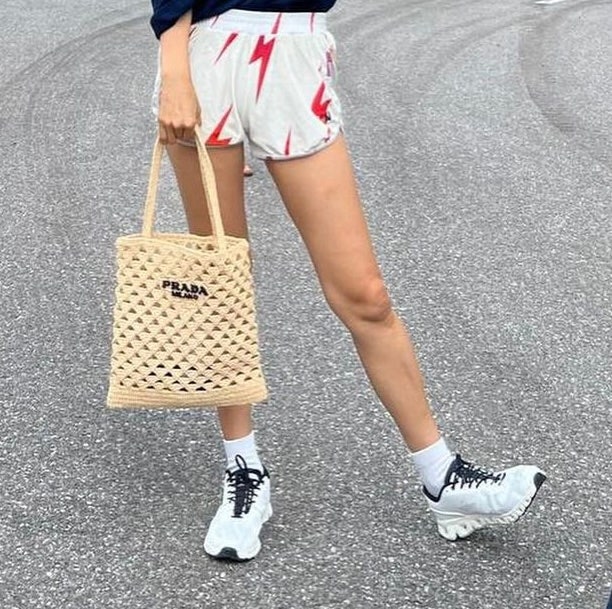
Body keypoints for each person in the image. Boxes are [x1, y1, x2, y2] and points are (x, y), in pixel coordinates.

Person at [149, 1, 546, 561]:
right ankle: (243, 471)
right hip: (208, 52)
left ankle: (442, 478)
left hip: (295, 49)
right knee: (223, 286)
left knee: (365, 294)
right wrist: (174, 67)